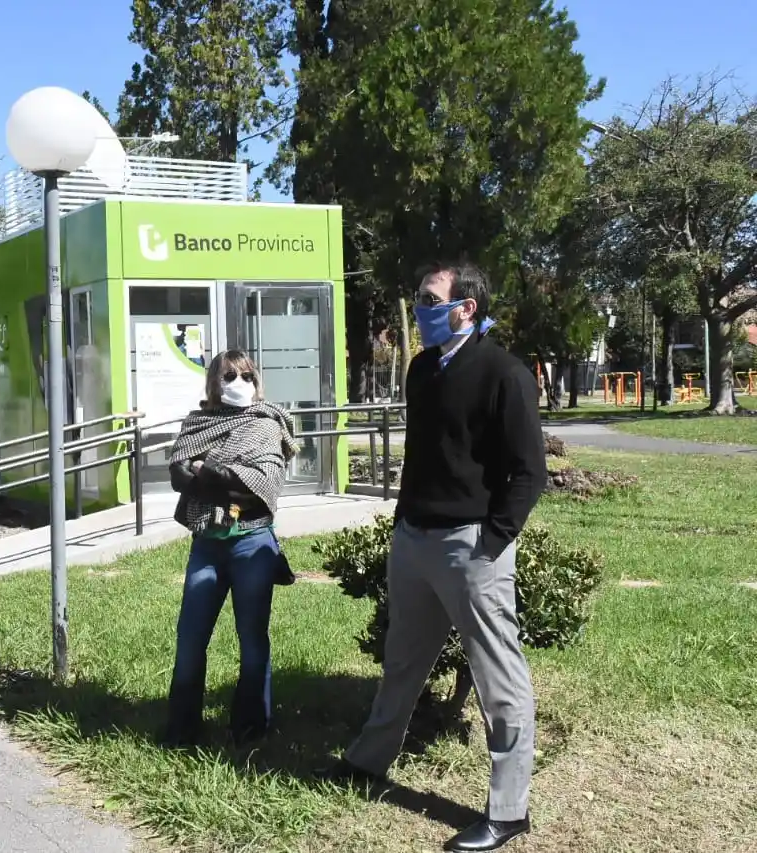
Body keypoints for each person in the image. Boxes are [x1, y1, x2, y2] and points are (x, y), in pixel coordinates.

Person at [321, 263, 547, 852]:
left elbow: (529, 473)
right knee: (402, 662)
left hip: (472, 546)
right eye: (419, 297)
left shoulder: (505, 373)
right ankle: (369, 762)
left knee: (500, 679)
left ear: (465, 308)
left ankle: (508, 810)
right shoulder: (422, 370)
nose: (419, 309)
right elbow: (425, 457)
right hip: (414, 541)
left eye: (429, 299)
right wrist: (403, 523)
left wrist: (491, 542)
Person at [162, 350, 298, 748]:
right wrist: (220, 477)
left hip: (252, 542)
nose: (239, 383)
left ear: (257, 381)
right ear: (213, 383)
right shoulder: (198, 422)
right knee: (190, 636)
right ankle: (182, 728)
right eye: (228, 376)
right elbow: (177, 475)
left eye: (246, 376)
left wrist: (207, 471)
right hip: (207, 544)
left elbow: (262, 488)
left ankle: (251, 727)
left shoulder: (266, 424)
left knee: (251, 636)